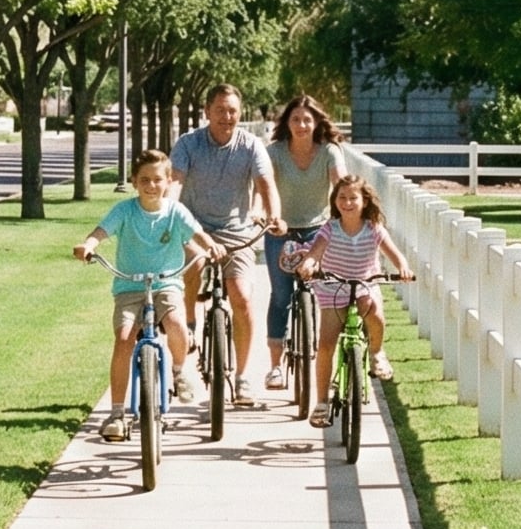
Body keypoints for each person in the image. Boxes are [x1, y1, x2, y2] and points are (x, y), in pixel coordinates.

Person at [74, 150, 219, 442]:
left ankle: (178, 372)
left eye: (157, 180)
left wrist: (211, 245)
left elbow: (197, 233)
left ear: (168, 181)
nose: (151, 186)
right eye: (144, 180)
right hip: (130, 287)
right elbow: (102, 231)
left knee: (177, 324)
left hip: (166, 285)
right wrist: (89, 244)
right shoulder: (125, 211)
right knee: (125, 338)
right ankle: (116, 414)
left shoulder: (175, 211)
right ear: (134, 182)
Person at [168, 84, 280, 408]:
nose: (227, 117)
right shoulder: (188, 144)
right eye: (220, 110)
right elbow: (175, 180)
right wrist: (167, 212)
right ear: (207, 112)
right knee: (196, 263)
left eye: (232, 111)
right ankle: (188, 320)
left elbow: (266, 183)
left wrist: (274, 215)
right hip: (195, 227)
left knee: (242, 298)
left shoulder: (250, 145)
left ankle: (243, 378)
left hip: (237, 232)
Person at [299, 174, 414, 427]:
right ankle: (321, 403)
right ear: (335, 200)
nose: (347, 203)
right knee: (327, 343)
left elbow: (395, 255)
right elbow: (315, 251)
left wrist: (403, 268)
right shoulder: (330, 228)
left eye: (353, 198)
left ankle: (376, 353)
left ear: (364, 201)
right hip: (333, 287)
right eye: (342, 197)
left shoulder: (374, 229)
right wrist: (309, 263)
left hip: (364, 284)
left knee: (376, 315)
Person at [263, 94, 351, 390]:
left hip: (318, 232)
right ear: (287, 123)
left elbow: (340, 181)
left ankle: (321, 350)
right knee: (280, 296)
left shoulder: (329, 152)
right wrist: (264, 216)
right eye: (296, 119)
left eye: (307, 120)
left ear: (317, 123)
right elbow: (263, 186)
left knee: (323, 294)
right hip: (281, 232)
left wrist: (345, 212)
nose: (301, 125)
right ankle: (275, 366)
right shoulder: (274, 152)